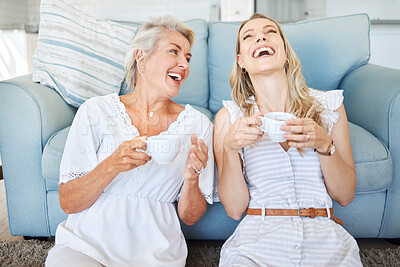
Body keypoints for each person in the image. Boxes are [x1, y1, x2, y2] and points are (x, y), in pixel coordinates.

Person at [46, 15, 215, 267]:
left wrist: (191, 178)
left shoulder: (198, 125)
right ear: (142, 58)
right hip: (86, 246)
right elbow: (68, 201)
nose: (184, 64)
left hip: (155, 254)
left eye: (188, 58)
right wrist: (112, 164)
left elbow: (190, 218)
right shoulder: (96, 111)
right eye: (174, 52)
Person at [214, 13, 362, 266]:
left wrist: (324, 144)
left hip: (326, 242)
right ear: (241, 62)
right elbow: (234, 209)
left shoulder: (329, 106)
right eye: (248, 36)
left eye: (270, 32)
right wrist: (229, 148)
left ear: (284, 52)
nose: (260, 36)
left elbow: (345, 195)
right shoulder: (230, 118)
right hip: (257, 244)